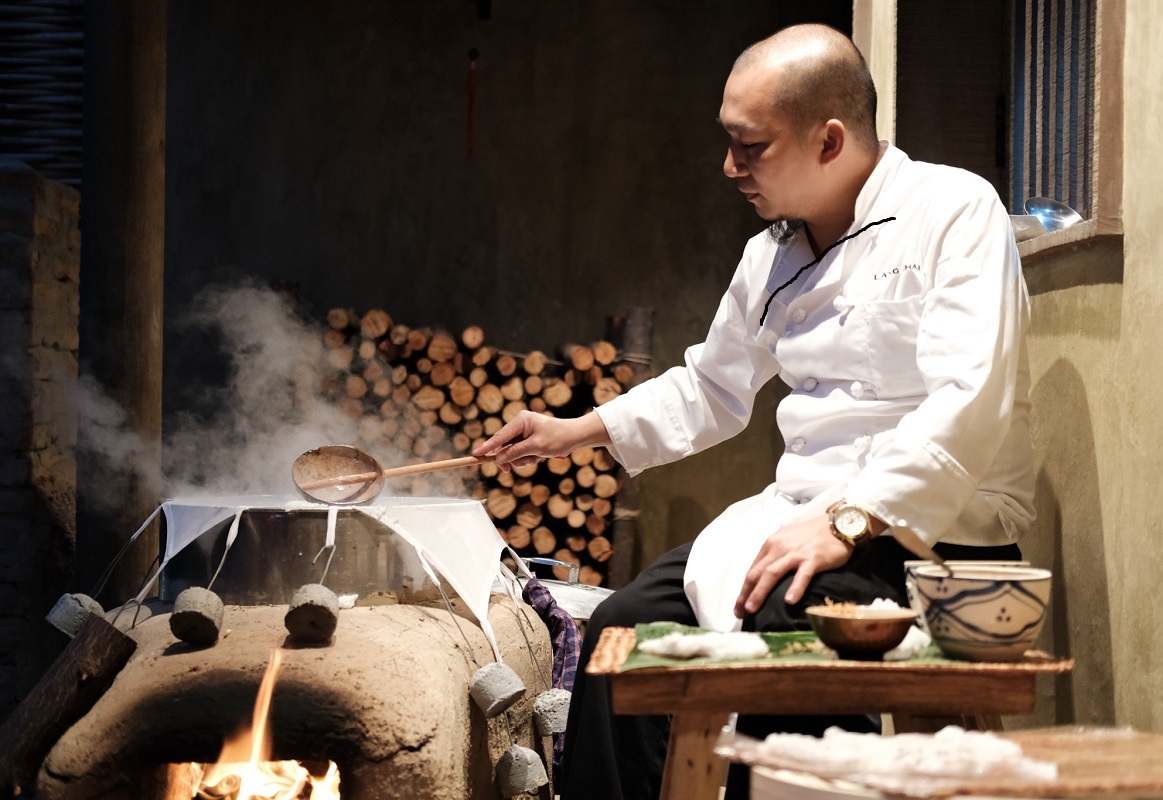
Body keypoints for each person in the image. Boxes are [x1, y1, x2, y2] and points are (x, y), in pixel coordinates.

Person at [473, 22, 1035, 800]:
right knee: (619, 627)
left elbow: (967, 402)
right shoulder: (770, 252)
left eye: (750, 146)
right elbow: (712, 384)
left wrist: (848, 520)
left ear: (828, 140)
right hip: (800, 513)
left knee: (783, 626)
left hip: (932, 529)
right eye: (728, 142)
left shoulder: (954, 210)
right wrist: (574, 432)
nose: (728, 166)